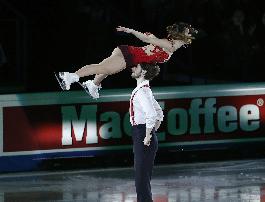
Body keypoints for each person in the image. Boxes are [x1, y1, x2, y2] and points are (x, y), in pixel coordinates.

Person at [55, 22, 198, 99]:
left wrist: (136, 33)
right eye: (187, 33)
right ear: (181, 36)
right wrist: (131, 31)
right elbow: (147, 38)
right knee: (102, 68)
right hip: (129, 56)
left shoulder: (166, 43)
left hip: (127, 53)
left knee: (104, 69)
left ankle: (93, 84)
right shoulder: (169, 46)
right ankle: (69, 77)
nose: (189, 37)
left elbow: (149, 37)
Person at [130, 63, 163, 202]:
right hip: (143, 133)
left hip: (143, 134)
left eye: (135, 67)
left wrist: (148, 134)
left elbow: (151, 114)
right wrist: (151, 132)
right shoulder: (144, 90)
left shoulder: (142, 92)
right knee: (142, 179)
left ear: (143, 71)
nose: (132, 68)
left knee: (141, 180)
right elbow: (159, 114)